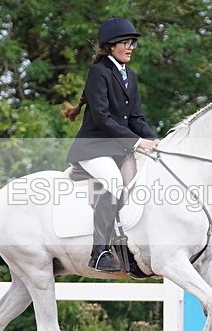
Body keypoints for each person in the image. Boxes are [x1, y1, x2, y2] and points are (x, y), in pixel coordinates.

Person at [64, 17, 160, 272]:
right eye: (125, 43)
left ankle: (125, 243)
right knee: (115, 184)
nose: (130, 47)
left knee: (137, 185)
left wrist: (154, 140)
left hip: (118, 148)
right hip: (93, 148)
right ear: (110, 46)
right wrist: (137, 141)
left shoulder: (130, 75)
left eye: (132, 44)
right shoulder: (99, 72)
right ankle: (99, 251)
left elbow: (136, 118)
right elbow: (104, 119)